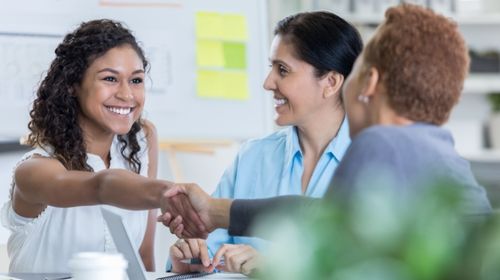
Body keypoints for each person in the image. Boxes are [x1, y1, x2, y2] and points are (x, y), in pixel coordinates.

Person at [161, 2, 492, 261]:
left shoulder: (383, 145)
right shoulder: (439, 152)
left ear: (367, 82)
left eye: (357, 70)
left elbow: (321, 223)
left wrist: (214, 211)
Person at [166, 11, 362, 275]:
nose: (268, 83)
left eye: (283, 70)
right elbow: (209, 250)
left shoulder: (372, 162)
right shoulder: (252, 157)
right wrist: (189, 263)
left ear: (330, 82)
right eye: (271, 68)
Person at [0, 19, 202, 273]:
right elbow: (102, 186)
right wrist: (172, 193)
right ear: (73, 85)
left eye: (136, 80)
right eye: (110, 79)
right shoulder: (34, 171)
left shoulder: (141, 140)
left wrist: (177, 270)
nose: (127, 95)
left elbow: (141, 258)